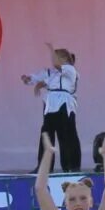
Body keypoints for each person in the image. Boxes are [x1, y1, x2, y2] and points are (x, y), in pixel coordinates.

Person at [23, 44, 81, 172]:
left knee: (66, 135)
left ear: (64, 59)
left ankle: (70, 166)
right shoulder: (50, 72)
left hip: (64, 104)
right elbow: (38, 77)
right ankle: (44, 167)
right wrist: (29, 79)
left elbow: (55, 71)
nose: (53, 60)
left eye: (57, 57)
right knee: (46, 135)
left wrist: (51, 50)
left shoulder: (70, 70)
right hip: (50, 105)